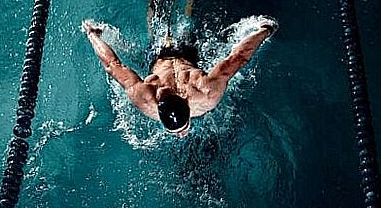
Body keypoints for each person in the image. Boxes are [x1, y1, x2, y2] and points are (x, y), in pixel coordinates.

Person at [82, 15, 278, 138]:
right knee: (183, 23)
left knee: (158, 20)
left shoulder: (144, 97)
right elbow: (238, 57)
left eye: (161, 95)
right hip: (187, 53)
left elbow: (112, 65)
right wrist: (265, 29)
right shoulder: (206, 93)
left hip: (158, 55)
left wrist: (92, 35)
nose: (162, 92)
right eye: (163, 95)